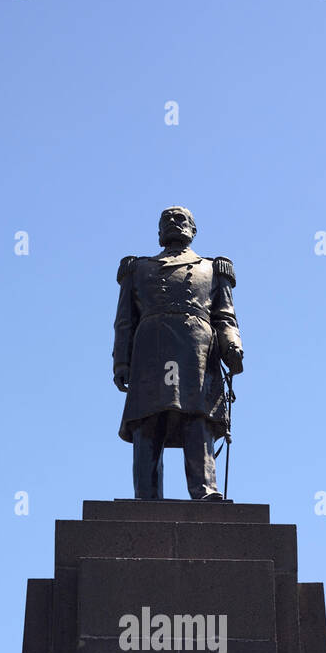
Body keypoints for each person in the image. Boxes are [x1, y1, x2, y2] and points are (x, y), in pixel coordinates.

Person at [113, 207, 243, 500]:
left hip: (195, 349)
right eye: (166, 220)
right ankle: (146, 495)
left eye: (181, 219)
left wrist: (232, 345)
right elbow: (125, 321)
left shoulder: (211, 268)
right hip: (150, 351)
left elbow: (225, 316)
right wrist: (121, 360)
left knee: (197, 419)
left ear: (193, 230)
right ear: (158, 232)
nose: (173, 223)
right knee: (148, 420)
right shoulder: (138, 269)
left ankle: (205, 490)